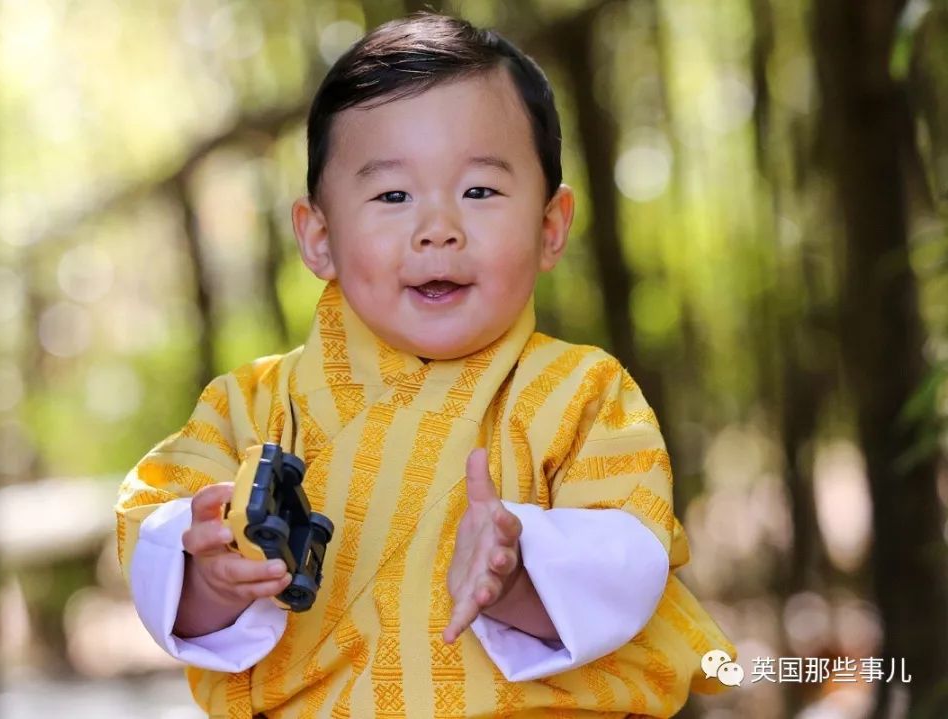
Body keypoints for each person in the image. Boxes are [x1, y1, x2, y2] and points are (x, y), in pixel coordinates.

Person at [115, 12, 735, 718]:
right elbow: (157, 539)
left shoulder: (584, 395)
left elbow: (629, 561)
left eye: (479, 191)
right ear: (319, 237)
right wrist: (210, 578)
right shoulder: (252, 407)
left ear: (549, 226)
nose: (438, 228)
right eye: (392, 196)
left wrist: (517, 574)